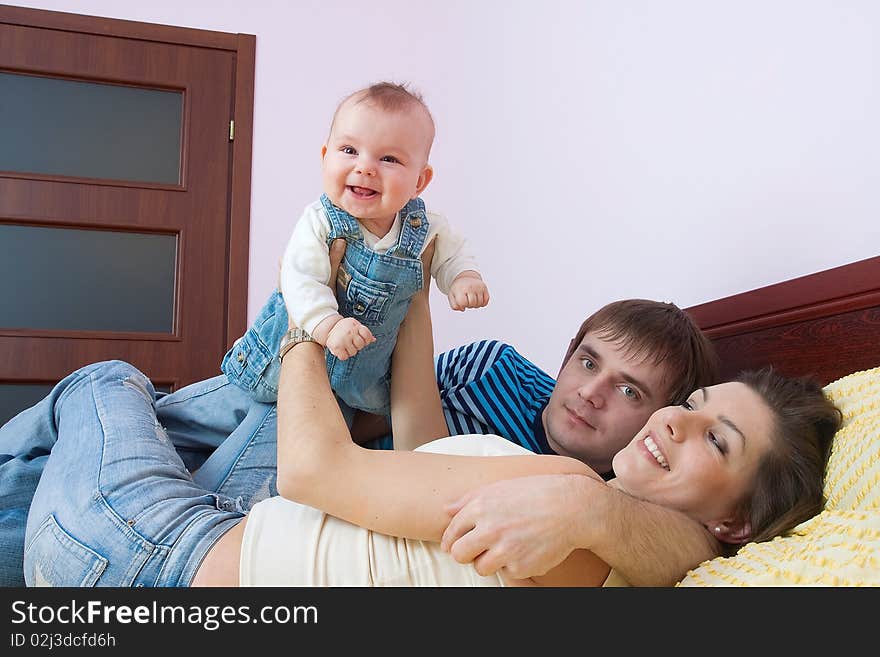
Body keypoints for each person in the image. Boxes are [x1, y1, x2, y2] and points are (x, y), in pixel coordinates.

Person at [0, 242, 720, 587]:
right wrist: (405, 285)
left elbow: (371, 461)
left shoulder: (577, 503)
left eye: (631, 392)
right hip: (333, 429)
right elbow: (394, 415)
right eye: (589, 362)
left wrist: (302, 326)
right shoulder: (501, 371)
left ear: (661, 420)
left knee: (108, 390)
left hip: (308, 479)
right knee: (153, 421)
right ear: (567, 356)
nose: (592, 392)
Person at [275, 80, 488, 423]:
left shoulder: (424, 227)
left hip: (353, 390)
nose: (365, 167)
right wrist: (329, 325)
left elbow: (452, 254)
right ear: (325, 156)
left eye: (388, 158)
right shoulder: (321, 220)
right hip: (281, 368)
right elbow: (299, 279)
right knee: (197, 422)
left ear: (420, 181)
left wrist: (463, 277)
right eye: (349, 151)